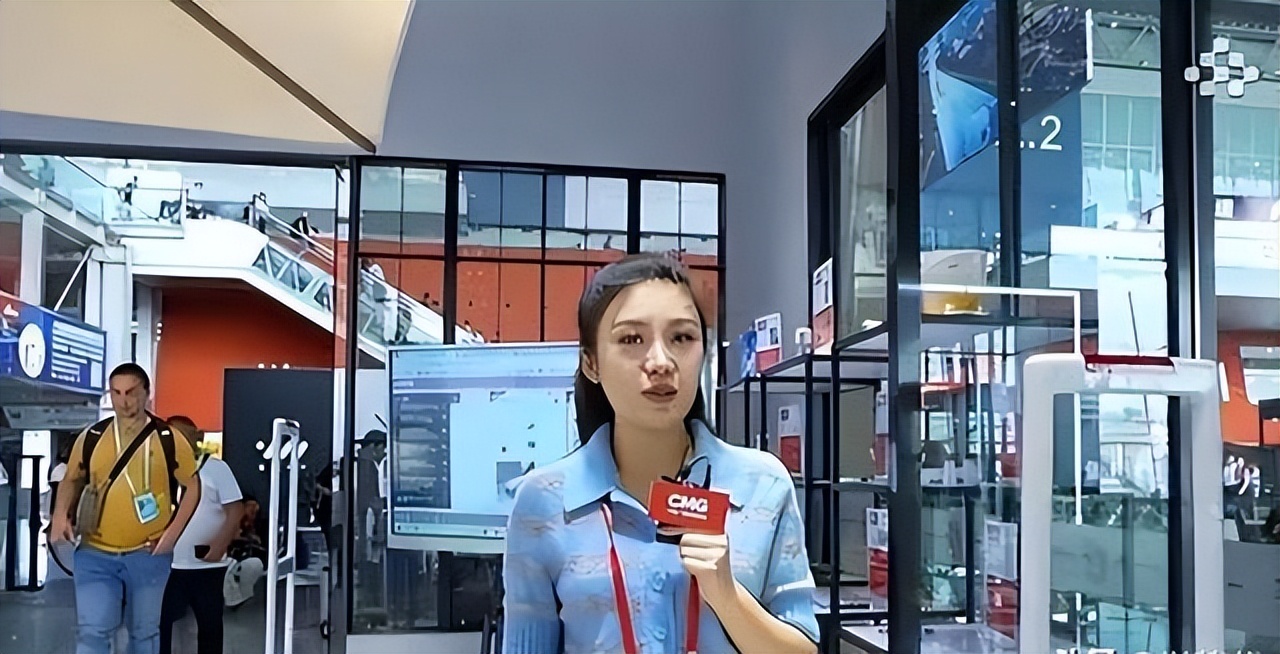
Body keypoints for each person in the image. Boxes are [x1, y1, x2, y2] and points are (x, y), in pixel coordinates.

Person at [502, 253, 819, 653]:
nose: (661, 362)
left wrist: (727, 597)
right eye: (631, 339)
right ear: (591, 362)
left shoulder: (762, 485)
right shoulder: (543, 500)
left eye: (682, 338)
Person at [50, 363, 201, 654]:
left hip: (148, 554)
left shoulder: (168, 438)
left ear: (147, 393)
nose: (124, 401)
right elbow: (71, 478)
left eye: (131, 392)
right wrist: (59, 515)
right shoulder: (93, 436)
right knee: (92, 632)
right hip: (95, 552)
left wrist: (172, 535)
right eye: (116, 393)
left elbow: (193, 486)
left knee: (145, 634)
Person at [159, 416, 244, 654]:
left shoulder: (215, 468)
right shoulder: (161, 471)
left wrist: (219, 545)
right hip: (167, 564)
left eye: (184, 435)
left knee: (209, 625)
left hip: (206, 567)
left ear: (198, 437)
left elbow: (235, 509)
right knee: (160, 623)